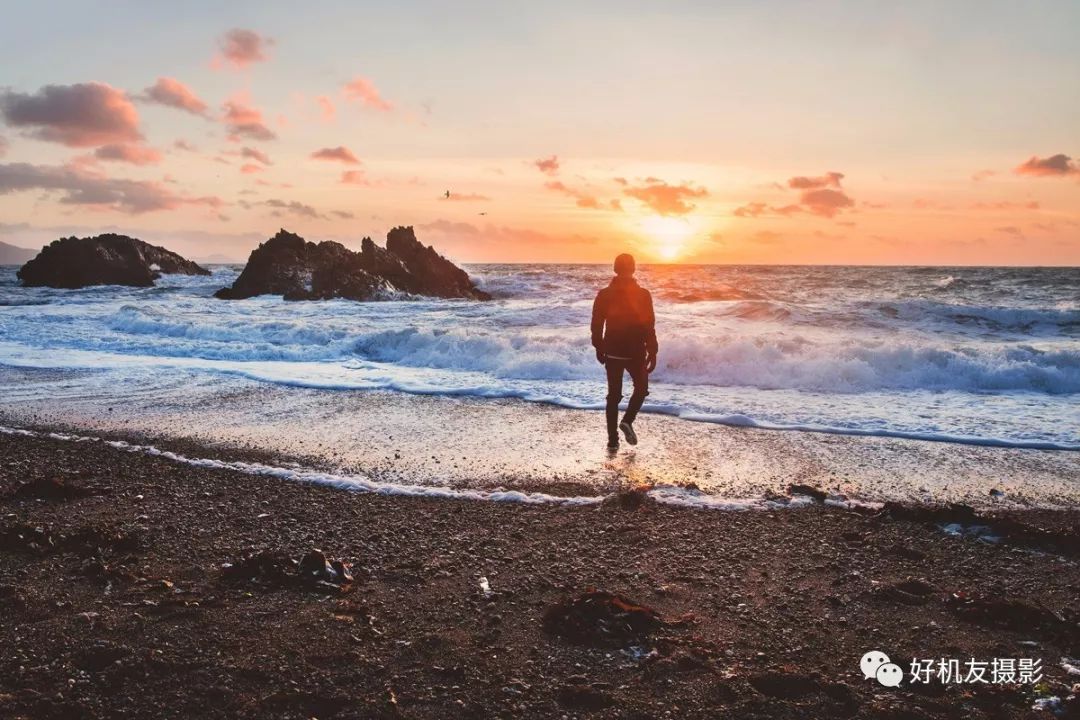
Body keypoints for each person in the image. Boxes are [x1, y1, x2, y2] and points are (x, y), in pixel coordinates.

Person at [590, 253, 658, 449]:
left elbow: (597, 323)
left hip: (612, 350)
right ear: (634, 269)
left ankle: (612, 440)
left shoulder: (604, 294)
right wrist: (652, 351)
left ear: (615, 268)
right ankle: (627, 421)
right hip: (636, 350)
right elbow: (649, 325)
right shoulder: (643, 294)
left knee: (613, 396)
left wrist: (598, 346)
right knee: (642, 388)